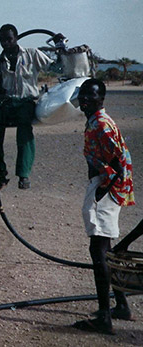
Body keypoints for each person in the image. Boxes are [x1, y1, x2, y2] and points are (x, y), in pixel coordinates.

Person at [72, 78, 135, 334]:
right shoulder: (95, 121)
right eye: (83, 95)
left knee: (98, 250)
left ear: (102, 99)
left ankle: (104, 318)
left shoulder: (101, 124)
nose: (85, 99)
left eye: (92, 95)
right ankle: (121, 306)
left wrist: (102, 191)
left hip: (106, 187)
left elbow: (118, 164)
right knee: (106, 249)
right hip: (106, 186)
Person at [0, 24, 54, 190]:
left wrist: (61, 49)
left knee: (24, 128)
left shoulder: (32, 54)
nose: (6, 43)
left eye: (9, 39)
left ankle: (23, 173)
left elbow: (54, 67)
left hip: (25, 101)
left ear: (16, 38)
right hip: (7, 102)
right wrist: (1, 93)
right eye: (2, 40)